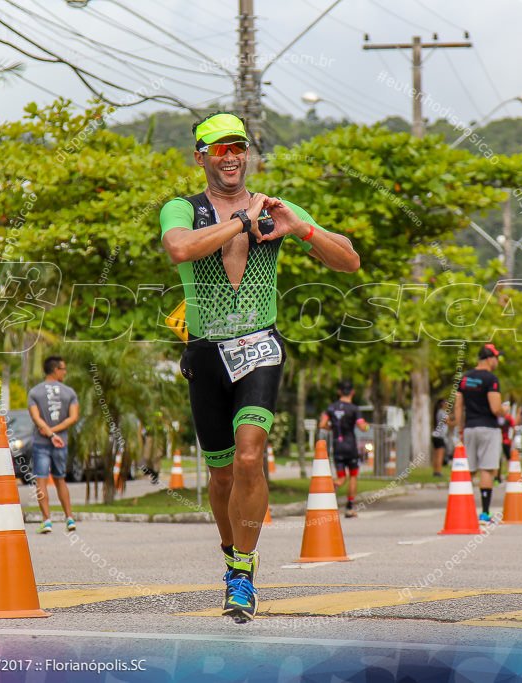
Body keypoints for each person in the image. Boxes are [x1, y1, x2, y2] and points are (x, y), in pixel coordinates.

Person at [160, 111, 360, 623]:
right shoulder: (183, 208)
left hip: (260, 346)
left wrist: (303, 229)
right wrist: (241, 223)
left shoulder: (274, 208)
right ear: (200, 157)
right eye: (219, 149)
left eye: (238, 147)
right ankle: (233, 560)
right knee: (222, 472)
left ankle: (243, 574)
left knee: (250, 459)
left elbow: (349, 260)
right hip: (205, 350)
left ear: (247, 153)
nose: (230, 156)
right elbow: (179, 247)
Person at [452, 343, 508, 524]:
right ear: (490, 359)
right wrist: (504, 410)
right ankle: (484, 514)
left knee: (469, 471)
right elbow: (495, 408)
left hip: (469, 428)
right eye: (497, 358)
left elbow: (458, 406)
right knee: (487, 469)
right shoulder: (491, 379)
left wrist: (461, 429)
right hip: (488, 429)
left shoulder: (464, 379)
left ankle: (461, 511)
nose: (498, 362)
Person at [27, 355, 79, 534]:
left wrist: (49, 432)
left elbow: (35, 417)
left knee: (41, 479)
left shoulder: (35, 392)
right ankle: (69, 518)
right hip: (61, 443)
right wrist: (56, 433)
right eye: (63, 369)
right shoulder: (69, 392)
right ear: (55, 370)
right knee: (60, 479)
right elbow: (73, 417)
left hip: (41, 442)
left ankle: (47, 520)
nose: (65, 372)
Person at [319, 380, 369, 518]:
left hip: (337, 446)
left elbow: (322, 424)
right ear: (352, 392)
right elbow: (362, 427)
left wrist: (332, 428)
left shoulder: (331, 408)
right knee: (353, 476)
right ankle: (349, 508)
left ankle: (333, 487)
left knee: (341, 477)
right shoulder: (354, 409)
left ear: (339, 392)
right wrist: (367, 425)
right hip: (351, 447)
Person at [431, 398, 450, 478]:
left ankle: (435, 472)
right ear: (443, 404)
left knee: (436, 455)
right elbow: (448, 422)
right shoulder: (443, 413)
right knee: (440, 456)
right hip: (440, 437)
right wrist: (457, 422)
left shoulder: (438, 412)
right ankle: (438, 472)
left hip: (435, 436)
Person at [497, 402, 515, 483]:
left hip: (498, 441)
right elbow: (513, 429)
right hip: (506, 441)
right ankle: (508, 475)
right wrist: (511, 439)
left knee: (498, 460)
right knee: (508, 459)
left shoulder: (497, 417)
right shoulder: (509, 417)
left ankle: (497, 477)